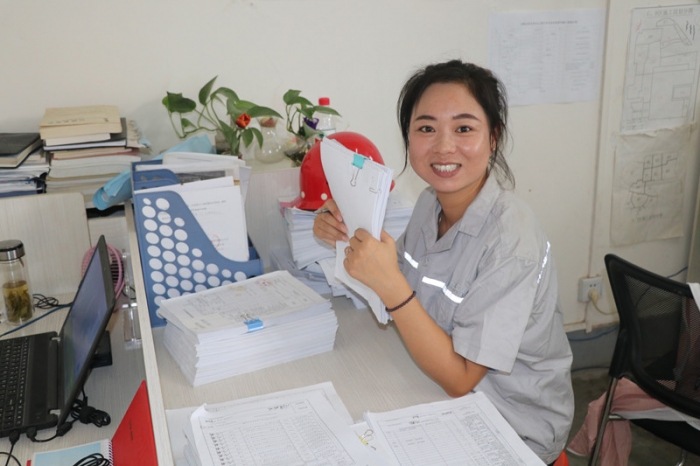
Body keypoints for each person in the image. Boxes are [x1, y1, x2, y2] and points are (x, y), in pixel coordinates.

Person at [313, 59, 574, 465]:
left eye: (464, 128)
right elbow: (394, 282)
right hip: (440, 392)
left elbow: (460, 378)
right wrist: (345, 233)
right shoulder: (429, 203)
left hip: (512, 428)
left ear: (493, 138)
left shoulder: (511, 237)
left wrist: (391, 286)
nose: (443, 146)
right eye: (426, 128)